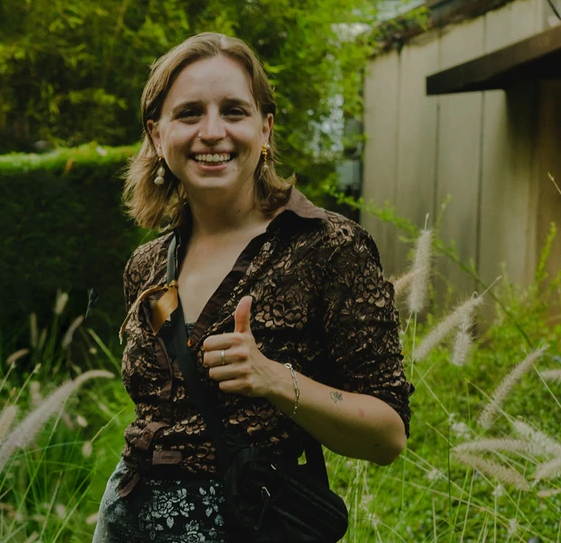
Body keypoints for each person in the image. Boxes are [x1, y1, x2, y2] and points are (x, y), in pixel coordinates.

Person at [92, 32, 412, 543]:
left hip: (249, 526)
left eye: (234, 111)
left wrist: (273, 379)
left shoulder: (327, 249)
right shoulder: (147, 265)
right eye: (190, 113)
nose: (212, 132)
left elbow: (388, 435)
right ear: (157, 134)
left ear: (264, 128)